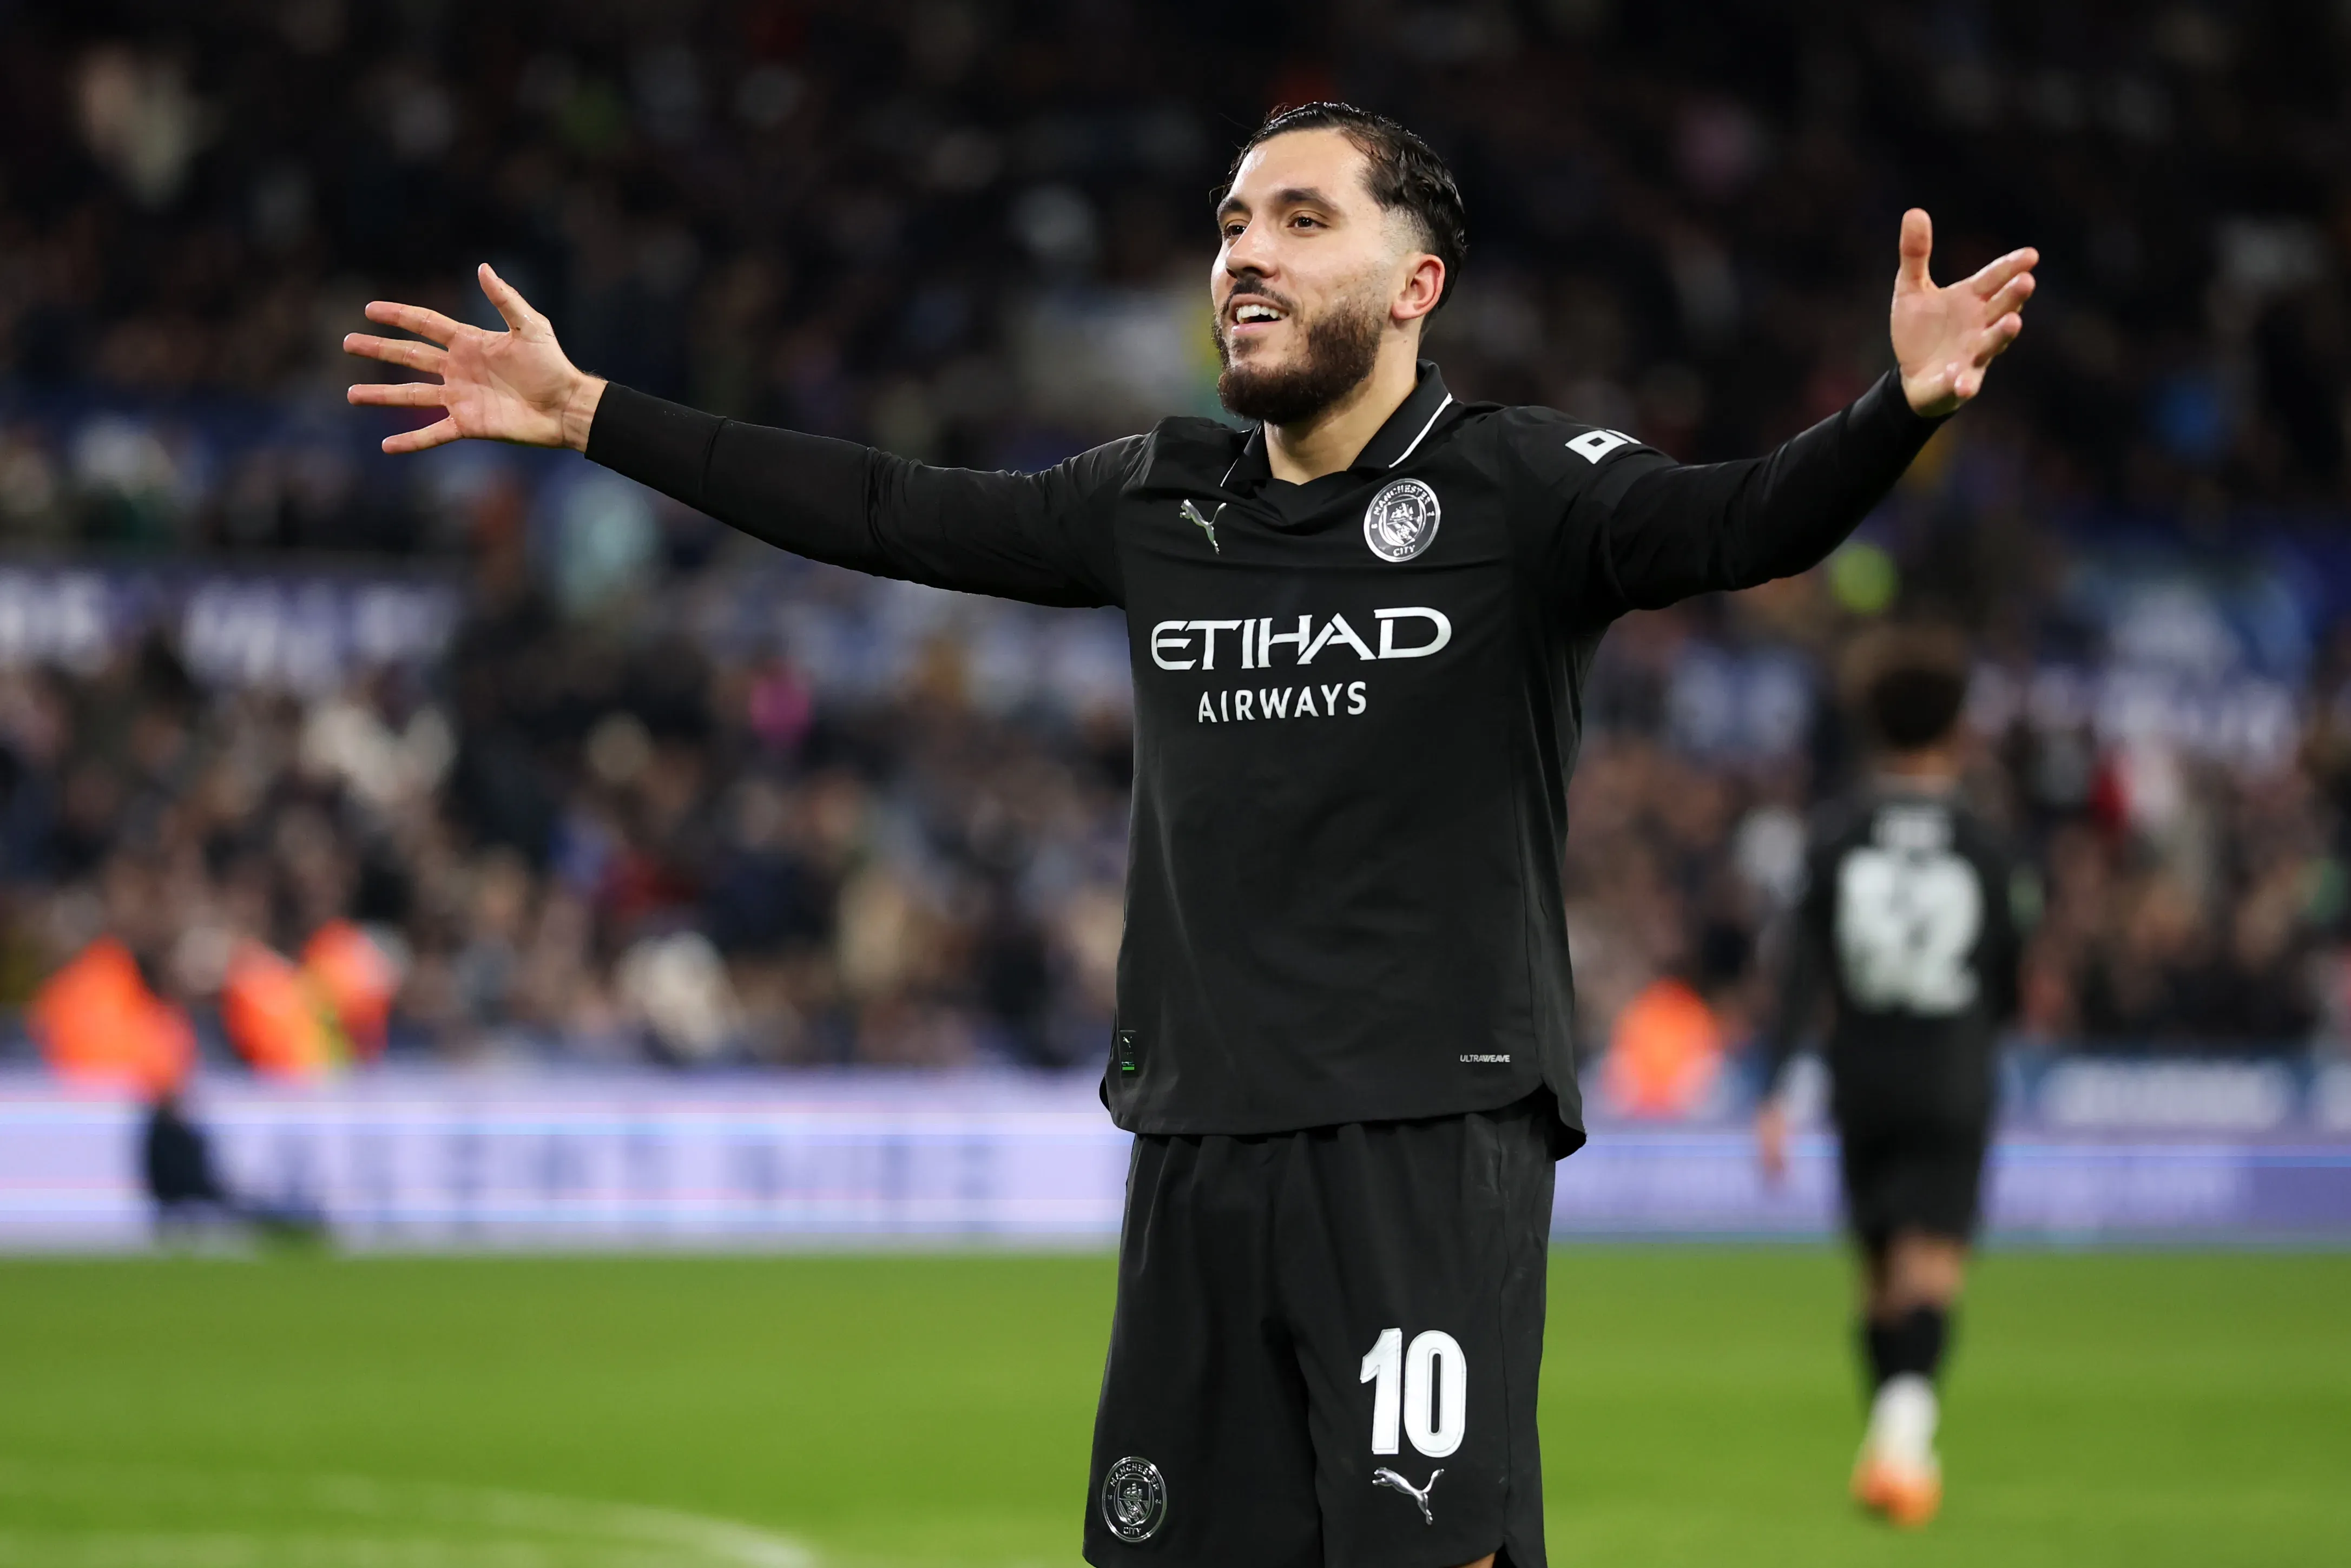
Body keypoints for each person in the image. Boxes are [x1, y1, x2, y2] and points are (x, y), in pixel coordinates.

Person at [347, 102, 2034, 1568]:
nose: (1249, 253)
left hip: (1423, 1131)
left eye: (1305, 220)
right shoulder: (1163, 498)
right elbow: (884, 508)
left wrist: (1894, 412)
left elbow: (1739, 522)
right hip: (1198, 1135)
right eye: (1234, 223)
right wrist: (592, 417)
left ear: (1415, 284)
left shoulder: (1524, 490)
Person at [1753, 628, 2029, 1528]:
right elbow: (2010, 974)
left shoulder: (1838, 833)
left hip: (1860, 1074)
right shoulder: (1987, 843)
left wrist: (1775, 1091)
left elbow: (1800, 971)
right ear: (1956, 730)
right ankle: (1903, 1445)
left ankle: (1894, 1448)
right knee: (1932, 1265)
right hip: (1952, 1067)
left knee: (1877, 1271)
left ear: (1872, 726)